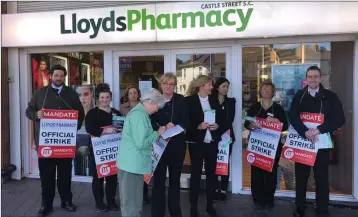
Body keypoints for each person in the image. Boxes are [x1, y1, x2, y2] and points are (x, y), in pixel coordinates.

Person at [25, 65, 85, 217]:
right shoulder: (40, 93)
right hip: (46, 144)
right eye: (56, 75)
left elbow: (80, 113)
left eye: (61, 76)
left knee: (65, 176)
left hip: (64, 144)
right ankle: (46, 205)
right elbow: (28, 111)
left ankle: (66, 201)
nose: (59, 78)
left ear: (64, 77)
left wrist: (73, 128)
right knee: (46, 177)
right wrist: (36, 114)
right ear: (51, 76)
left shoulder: (71, 93)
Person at [289, 66, 345, 217]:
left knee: (321, 179)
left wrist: (318, 130)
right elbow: (292, 116)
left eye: (315, 76)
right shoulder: (299, 96)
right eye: (310, 77)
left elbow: (340, 118)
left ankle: (322, 209)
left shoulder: (331, 97)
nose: (312, 79)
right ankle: (299, 207)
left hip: (322, 145)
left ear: (320, 78)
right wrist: (305, 132)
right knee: (301, 178)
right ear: (306, 79)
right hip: (303, 143)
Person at [117, 88, 166, 217]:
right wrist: (157, 133)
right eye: (157, 106)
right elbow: (141, 143)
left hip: (131, 164)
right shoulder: (140, 115)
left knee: (130, 201)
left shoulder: (139, 113)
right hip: (133, 165)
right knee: (132, 204)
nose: (157, 109)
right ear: (149, 102)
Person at [244, 80, 288, 210]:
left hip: (272, 148)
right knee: (256, 174)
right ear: (260, 92)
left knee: (271, 173)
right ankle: (258, 199)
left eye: (269, 89)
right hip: (257, 146)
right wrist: (252, 125)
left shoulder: (278, 108)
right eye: (264, 89)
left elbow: (285, 125)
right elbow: (247, 122)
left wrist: (276, 121)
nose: (266, 91)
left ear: (273, 92)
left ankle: (269, 199)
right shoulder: (255, 107)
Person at [150, 73, 189, 217]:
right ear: (161, 85)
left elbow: (186, 121)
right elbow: (149, 120)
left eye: (172, 84)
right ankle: (157, 213)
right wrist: (160, 127)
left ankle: (175, 212)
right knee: (158, 181)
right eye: (166, 83)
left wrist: (176, 126)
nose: (169, 87)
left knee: (175, 181)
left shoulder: (181, 100)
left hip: (177, 146)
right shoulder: (154, 100)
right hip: (159, 145)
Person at [185, 75, 223, 217]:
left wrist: (217, 125)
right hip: (197, 144)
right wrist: (197, 126)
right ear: (201, 86)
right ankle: (193, 207)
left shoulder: (213, 100)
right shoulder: (189, 101)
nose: (211, 87)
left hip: (211, 143)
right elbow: (185, 122)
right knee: (195, 175)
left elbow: (221, 119)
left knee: (211, 175)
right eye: (209, 85)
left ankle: (209, 205)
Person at [85, 83, 121, 212]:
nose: (105, 100)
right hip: (97, 151)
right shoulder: (92, 113)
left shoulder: (116, 113)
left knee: (112, 176)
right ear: (98, 99)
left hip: (113, 151)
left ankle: (111, 201)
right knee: (98, 177)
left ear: (110, 99)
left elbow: (121, 129)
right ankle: (99, 202)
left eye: (107, 97)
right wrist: (107, 131)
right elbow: (90, 129)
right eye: (102, 97)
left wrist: (120, 131)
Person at [119, 85, 150, 204]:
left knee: (141, 169)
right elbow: (119, 123)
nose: (133, 95)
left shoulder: (143, 107)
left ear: (138, 94)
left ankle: (144, 194)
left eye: (135, 93)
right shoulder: (122, 108)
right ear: (127, 95)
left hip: (140, 139)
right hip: (129, 142)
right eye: (130, 93)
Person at [212, 77, 236, 203]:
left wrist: (219, 127)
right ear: (217, 87)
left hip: (226, 136)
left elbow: (230, 120)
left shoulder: (231, 102)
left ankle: (223, 190)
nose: (226, 89)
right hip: (214, 136)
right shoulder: (211, 100)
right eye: (224, 86)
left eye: (227, 87)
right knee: (215, 163)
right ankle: (215, 189)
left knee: (225, 162)